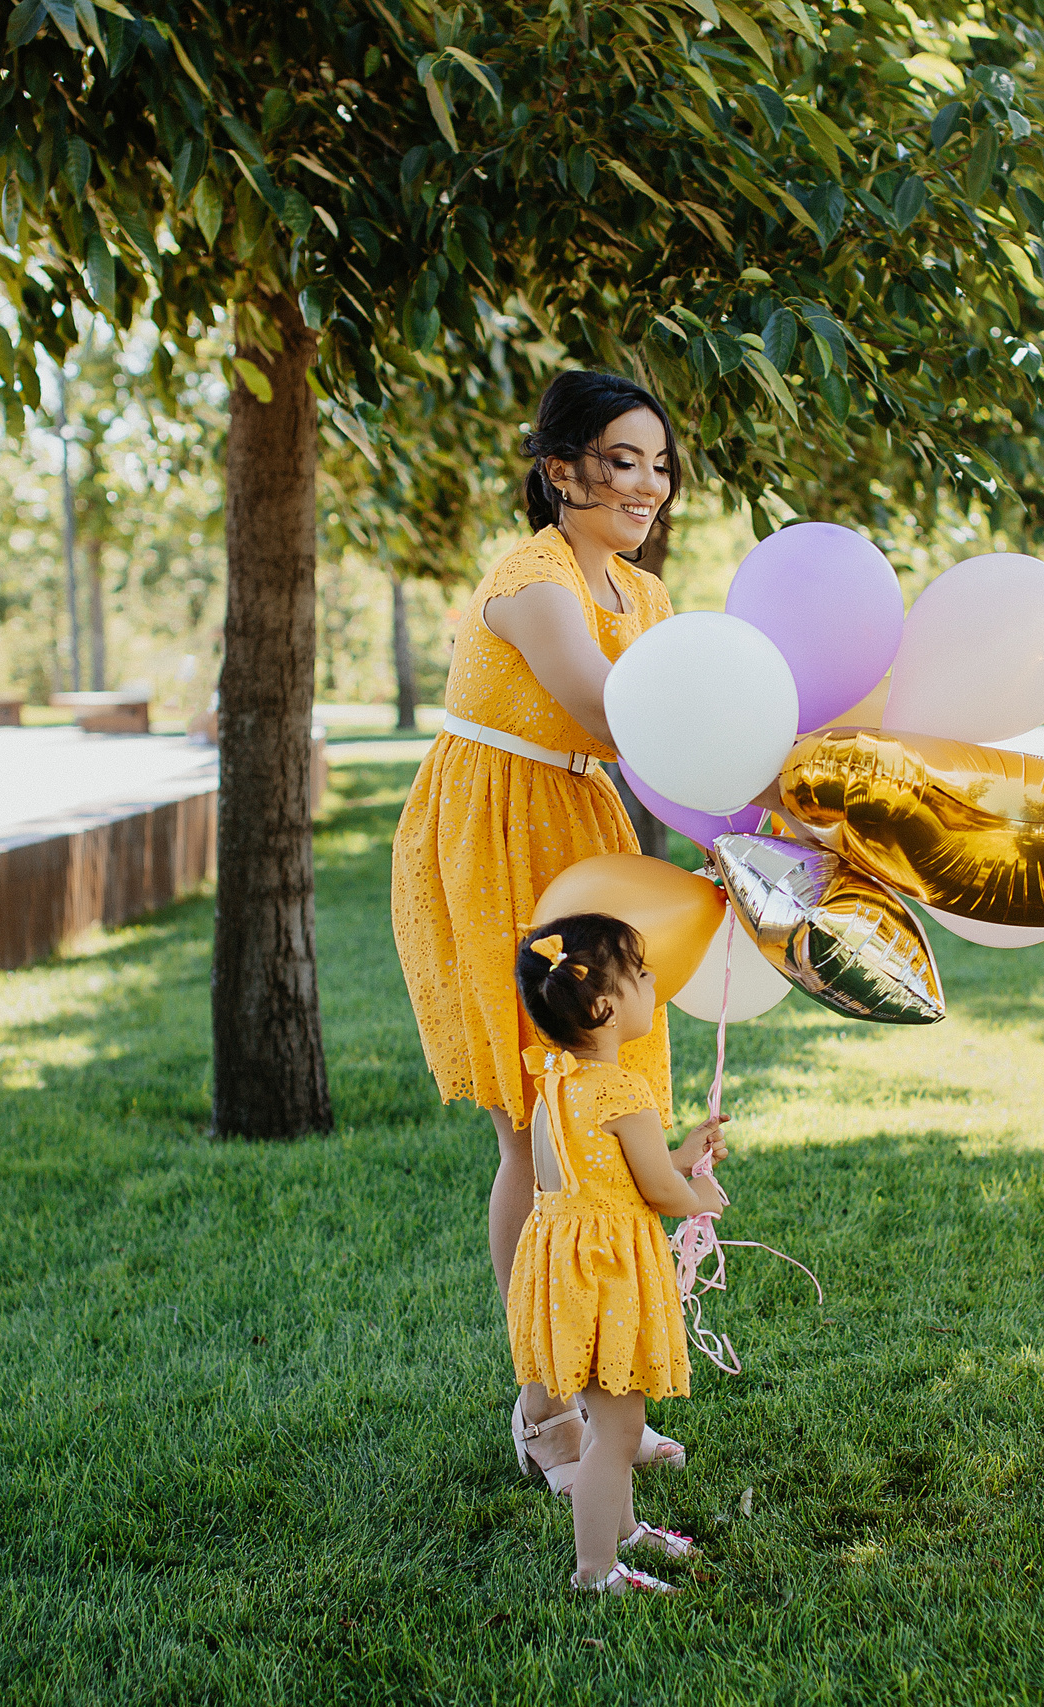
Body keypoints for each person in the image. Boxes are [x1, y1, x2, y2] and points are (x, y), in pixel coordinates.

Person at [390, 370, 688, 1482]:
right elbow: (603, 707)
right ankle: (541, 1408)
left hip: (585, 836)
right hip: (492, 842)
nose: (646, 484)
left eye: (658, 463)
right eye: (621, 458)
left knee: (608, 1124)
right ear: (559, 469)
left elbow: (686, 730)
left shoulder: (649, 598)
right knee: (536, 1125)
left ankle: (601, 1401)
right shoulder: (531, 576)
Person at [505, 914, 727, 1594]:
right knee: (620, 1432)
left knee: (608, 1419)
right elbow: (655, 1189)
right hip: (607, 1282)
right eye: (640, 973)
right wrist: (699, 1194)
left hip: (564, 1277)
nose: (653, 979)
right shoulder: (624, 1090)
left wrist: (682, 1152)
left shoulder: (558, 1087)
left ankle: (625, 1529)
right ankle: (596, 1569)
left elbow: (598, 1174)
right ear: (604, 1007)